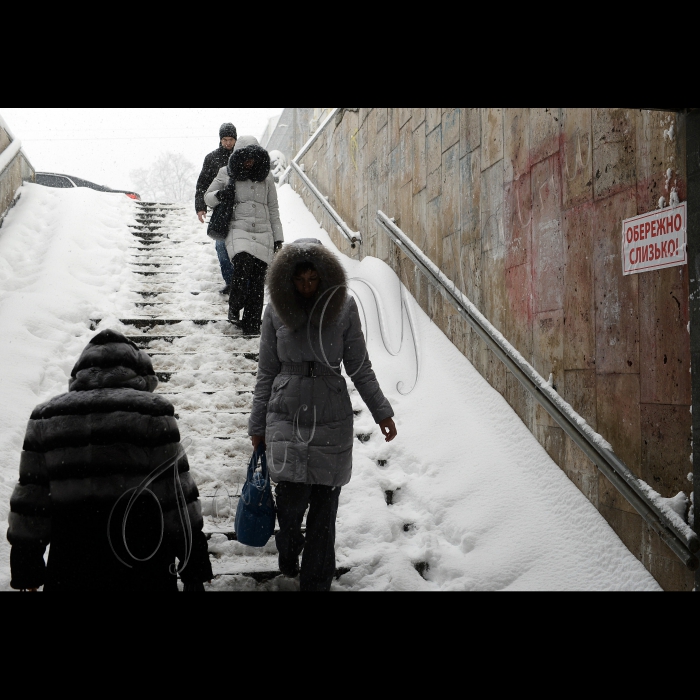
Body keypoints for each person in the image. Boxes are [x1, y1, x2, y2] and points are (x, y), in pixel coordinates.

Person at [6, 329, 213, 592]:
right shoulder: (152, 413)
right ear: (140, 373)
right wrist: (193, 565)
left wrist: (27, 566)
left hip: (72, 565)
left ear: (80, 371)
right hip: (142, 563)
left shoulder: (46, 417)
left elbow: (30, 501)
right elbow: (176, 496)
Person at [248, 239, 398, 591]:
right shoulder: (276, 310)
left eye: (313, 279)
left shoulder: (343, 308)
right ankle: (288, 546)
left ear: (325, 276)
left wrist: (381, 412)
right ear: (288, 278)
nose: (307, 286)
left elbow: (359, 367)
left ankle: (315, 582)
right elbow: (266, 370)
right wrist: (257, 424)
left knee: (324, 516)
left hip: (331, 415)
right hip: (286, 413)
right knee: (289, 505)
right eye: (300, 280)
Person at [205, 135, 284, 335]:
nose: (249, 161)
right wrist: (219, 196)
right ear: (238, 156)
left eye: (253, 157)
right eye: (245, 157)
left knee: (257, 280)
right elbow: (208, 196)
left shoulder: (266, 177)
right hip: (238, 229)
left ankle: (251, 325)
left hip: (264, 231)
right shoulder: (226, 172)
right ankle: (234, 306)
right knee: (242, 265)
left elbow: (273, 209)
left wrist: (278, 237)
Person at [195, 122, 238, 295]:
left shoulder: (242, 156)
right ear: (220, 140)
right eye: (224, 139)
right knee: (221, 246)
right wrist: (200, 207)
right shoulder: (212, 158)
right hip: (220, 209)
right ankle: (230, 282)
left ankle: (242, 282)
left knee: (240, 248)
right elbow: (202, 185)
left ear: (236, 139)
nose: (228, 143)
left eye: (231, 139)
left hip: (242, 209)